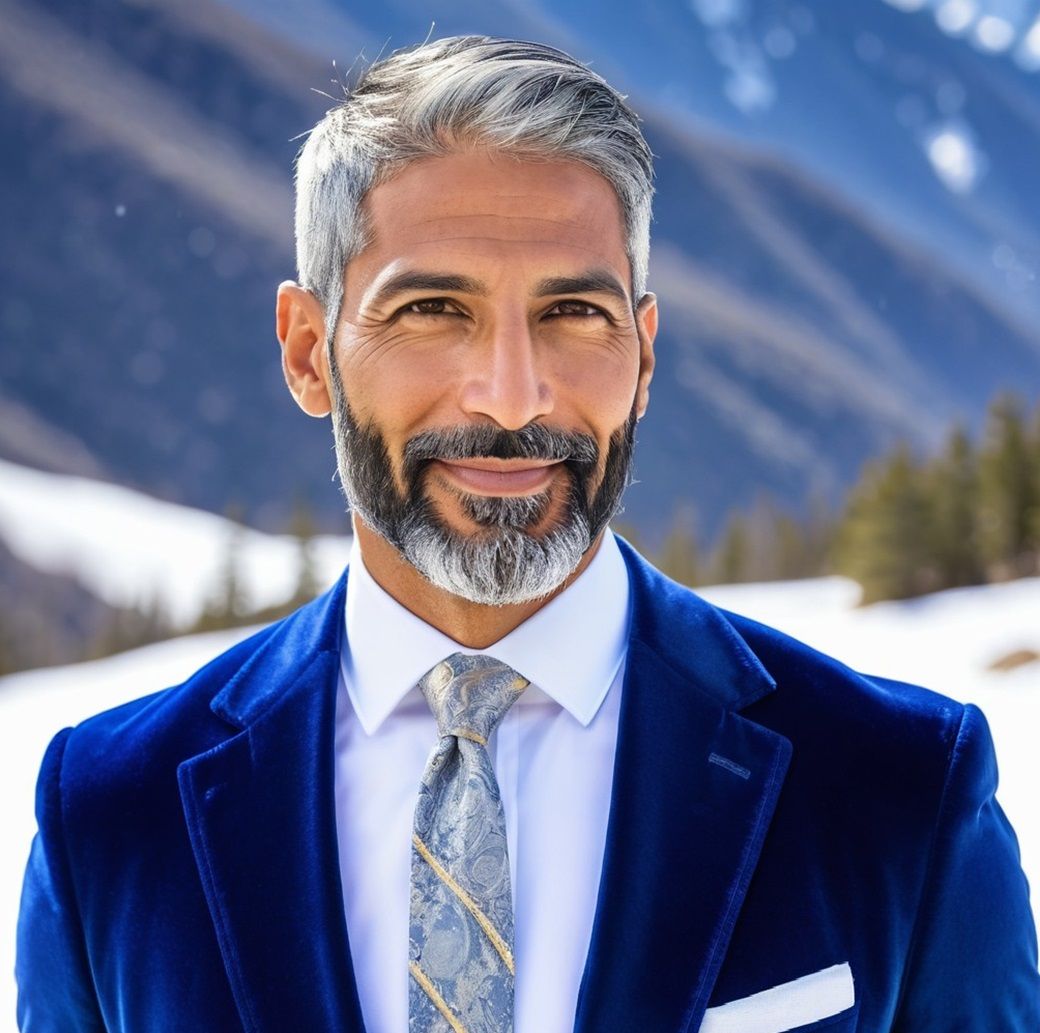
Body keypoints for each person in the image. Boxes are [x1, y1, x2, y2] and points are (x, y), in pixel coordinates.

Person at [15, 34, 1039, 1033]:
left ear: (641, 358)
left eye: (570, 314)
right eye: (429, 309)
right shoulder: (114, 818)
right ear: (307, 352)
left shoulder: (898, 793)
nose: (510, 397)